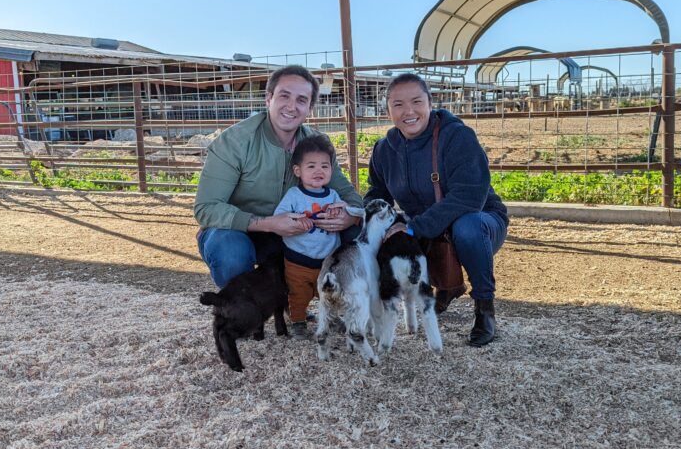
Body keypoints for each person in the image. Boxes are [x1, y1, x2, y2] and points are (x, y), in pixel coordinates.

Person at [365, 73, 509, 347]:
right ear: (388, 110)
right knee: (386, 233)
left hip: (479, 220)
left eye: (417, 101)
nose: (409, 111)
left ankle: (484, 309)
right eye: (398, 105)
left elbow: (468, 196)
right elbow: (376, 192)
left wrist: (412, 227)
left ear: (431, 102)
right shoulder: (384, 149)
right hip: (425, 226)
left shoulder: (457, 137)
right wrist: (369, 218)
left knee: (466, 227)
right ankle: (442, 286)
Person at [194, 65, 362, 289]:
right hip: (240, 230)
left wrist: (349, 216)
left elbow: (350, 195)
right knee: (230, 250)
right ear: (268, 98)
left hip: (293, 231)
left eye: (302, 100)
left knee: (357, 231)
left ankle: (332, 305)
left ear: (309, 108)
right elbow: (206, 208)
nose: (291, 106)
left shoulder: (316, 146)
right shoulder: (235, 141)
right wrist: (267, 223)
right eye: (284, 96)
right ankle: (241, 313)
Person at [273, 135, 348, 340]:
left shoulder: (333, 196)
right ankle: (298, 322)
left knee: (329, 293)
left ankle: (331, 318)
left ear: (332, 170)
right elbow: (279, 217)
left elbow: (344, 212)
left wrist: (338, 212)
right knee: (298, 294)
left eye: (325, 166)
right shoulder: (294, 195)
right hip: (298, 260)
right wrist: (297, 221)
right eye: (312, 166)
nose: (319, 171)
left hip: (327, 261)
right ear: (298, 171)